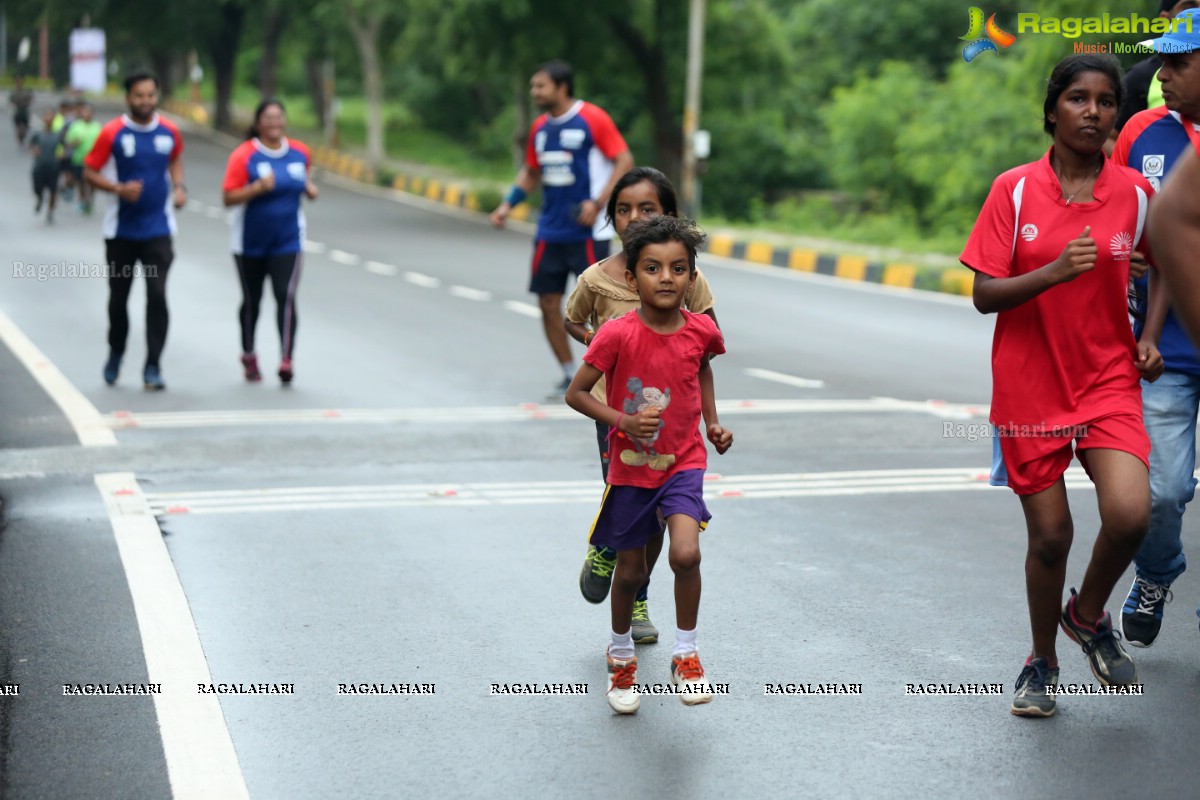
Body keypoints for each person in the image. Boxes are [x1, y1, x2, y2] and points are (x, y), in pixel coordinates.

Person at [962, 54, 1162, 718]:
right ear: (1053, 111)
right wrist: (1050, 272)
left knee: (1133, 513)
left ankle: (1087, 612)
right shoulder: (1013, 190)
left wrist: (1150, 334)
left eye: (1106, 101)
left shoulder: (1136, 194)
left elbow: (1164, 265)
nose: (1094, 111)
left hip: (1108, 379)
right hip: (1029, 387)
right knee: (1050, 538)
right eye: (1078, 99)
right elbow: (984, 294)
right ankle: (1041, 662)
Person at [565, 215, 731, 715]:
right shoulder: (617, 334)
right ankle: (620, 656)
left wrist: (713, 424)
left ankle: (687, 653)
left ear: (691, 277)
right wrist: (622, 420)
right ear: (632, 279)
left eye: (678, 269)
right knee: (632, 570)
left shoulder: (701, 330)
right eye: (653, 268)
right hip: (634, 468)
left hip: (683, 462)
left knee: (685, 555)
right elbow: (576, 393)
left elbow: (700, 371)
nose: (666, 278)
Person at [1113, 9, 1200, 648]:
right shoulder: (1141, 131)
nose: (1161, 75)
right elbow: (1112, 209)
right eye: (1163, 61)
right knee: (1164, 492)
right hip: (1163, 350)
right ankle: (1157, 571)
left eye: (1179, 64)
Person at [490, 60, 634, 395]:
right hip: (549, 232)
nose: (534, 92)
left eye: (540, 86)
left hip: (588, 231)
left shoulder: (592, 118)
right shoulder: (540, 128)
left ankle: (607, 373)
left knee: (600, 307)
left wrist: (598, 203)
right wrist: (506, 206)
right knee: (547, 304)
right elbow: (530, 172)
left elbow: (624, 160)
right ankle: (570, 372)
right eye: (533, 86)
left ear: (561, 87)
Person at [84, 71, 186, 391]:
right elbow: (89, 171)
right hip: (122, 232)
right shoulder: (112, 133)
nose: (146, 101)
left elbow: (175, 160)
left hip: (158, 230)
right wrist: (117, 188)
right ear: (128, 97)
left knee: (157, 295)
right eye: (139, 95)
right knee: (119, 299)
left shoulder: (169, 131)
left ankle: (153, 365)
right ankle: (116, 351)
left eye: (151, 95)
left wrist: (180, 187)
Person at [222, 99, 317, 385]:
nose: (274, 122)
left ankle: (286, 359)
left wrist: (310, 189)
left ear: (284, 121)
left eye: (279, 117)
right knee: (252, 301)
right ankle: (249, 354)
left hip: (288, 241)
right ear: (258, 122)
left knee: (285, 297)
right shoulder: (245, 155)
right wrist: (257, 188)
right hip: (249, 242)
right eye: (268, 118)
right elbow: (227, 197)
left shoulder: (300, 153)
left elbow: (304, 181)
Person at [65, 102, 101, 215]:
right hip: (79, 159)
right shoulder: (76, 126)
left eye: (89, 112)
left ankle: (90, 199)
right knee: (81, 181)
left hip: (94, 161)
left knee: (93, 182)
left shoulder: (97, 127)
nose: (86, 114)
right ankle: (82, 199)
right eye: (85, 112)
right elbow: (68, 142)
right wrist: (74, 142)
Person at [29, 108, 61, 224]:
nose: (48, 118)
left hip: (53, 166)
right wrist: (34, 151)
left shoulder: (58, 135)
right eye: (46, 116)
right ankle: (40, 198)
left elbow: (65, 147)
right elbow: (31, 145)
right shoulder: (38, 134)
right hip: (39, 166)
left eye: (51, 116)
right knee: (38, 187)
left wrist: (62, 155)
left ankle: (50, 212)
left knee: (53, 190)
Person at [9, 75, 33, 145]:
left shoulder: (26, 91)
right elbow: (11, 100)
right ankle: (19, 136)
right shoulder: (14, 92)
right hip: (18, 111)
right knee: (19, 126)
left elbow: (30, 98)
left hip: (24, 111)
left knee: (25, 127)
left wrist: (27, 102)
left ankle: (23, 136)